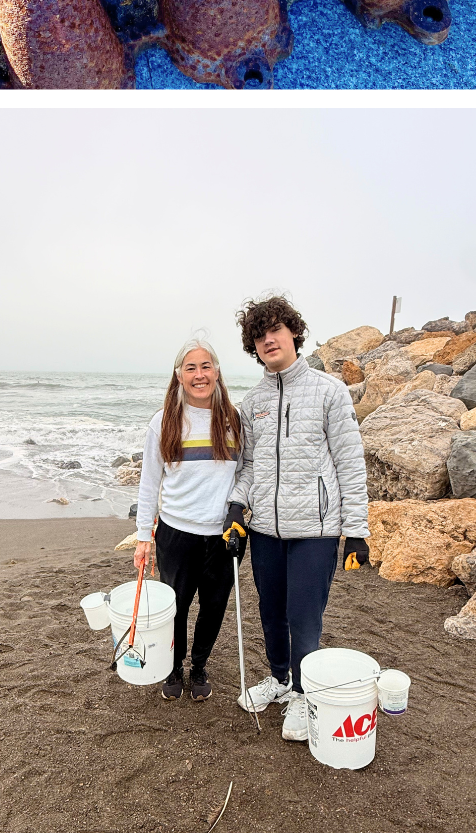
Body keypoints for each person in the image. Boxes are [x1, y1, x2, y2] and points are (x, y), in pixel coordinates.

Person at [227, 296, 370, 741]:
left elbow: (350, 462)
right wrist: (236, 508)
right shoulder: (252, 402)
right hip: (266, 528)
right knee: (270, 612)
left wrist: (357, 532)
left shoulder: (329, 391)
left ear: (293, 333)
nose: (268, 339)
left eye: (276, 330)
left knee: (303, 617)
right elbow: (248, 466)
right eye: (259, 335)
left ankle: (304, 697)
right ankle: (280, 679)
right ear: (254, 347)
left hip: (316, 531)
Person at [134, 338, 242, 701]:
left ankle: (198, 666)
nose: (200, 374)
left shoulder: (233, 419)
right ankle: (173, 666)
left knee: (213, 607)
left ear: (217, 372)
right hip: (176, 534)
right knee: (175, 608)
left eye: (206, 366)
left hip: (225, 536)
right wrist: (143, 537)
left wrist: (240, 512)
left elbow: (246, 474)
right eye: (191, 368)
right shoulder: (163, 422)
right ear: (179, 375)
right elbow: (149, 483)